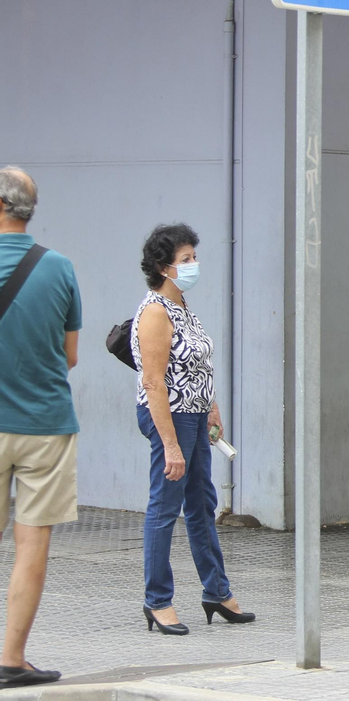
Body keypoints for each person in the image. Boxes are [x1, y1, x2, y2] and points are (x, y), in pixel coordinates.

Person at [132, 223, 254, 634]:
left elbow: (198, 364)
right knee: (165, 506)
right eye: (186, 259)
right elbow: (154, 382)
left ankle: (217, 591)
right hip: (171, 416)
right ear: (164, 267)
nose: (193, 265)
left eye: (194, 257)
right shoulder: (155, 312)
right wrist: (170, 444)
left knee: (202, 503)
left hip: (197, 415)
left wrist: (212, 407)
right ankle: (157, 600)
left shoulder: (183, 306)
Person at [0, 168, 79, 685]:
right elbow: (70, 356)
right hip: (45, 427)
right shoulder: (59, 268)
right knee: (31, 547)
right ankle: (11, 660)